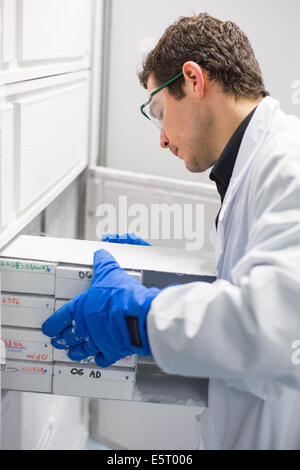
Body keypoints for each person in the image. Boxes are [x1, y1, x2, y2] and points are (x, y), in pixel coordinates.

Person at [42, 13, 300, 450]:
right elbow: (256, 289)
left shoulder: (288, 165)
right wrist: (166, 282)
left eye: (159, 112)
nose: (162, 139)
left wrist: (141, 315)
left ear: (194, 80)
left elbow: (281, 323)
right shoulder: (251, 169)